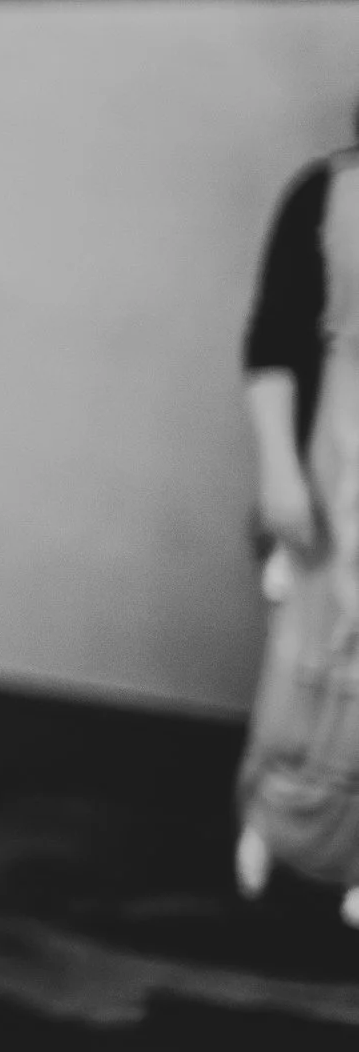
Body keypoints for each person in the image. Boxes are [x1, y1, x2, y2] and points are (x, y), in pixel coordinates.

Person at [235, 124, 359, 929]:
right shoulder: (327, 192)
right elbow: (275, 337)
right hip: (338, 464)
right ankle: (278, 823)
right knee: (313, 648)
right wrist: (279, 466)